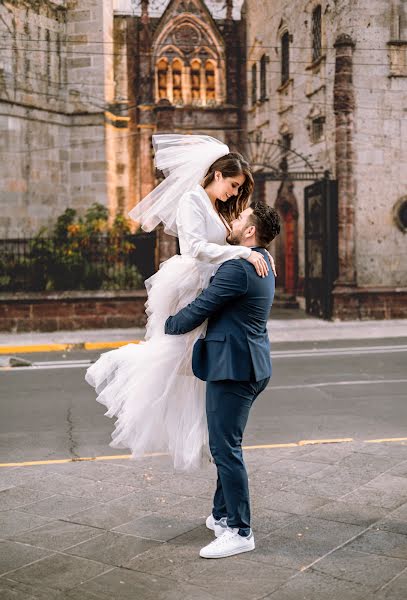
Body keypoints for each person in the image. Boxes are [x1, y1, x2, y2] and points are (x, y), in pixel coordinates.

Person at [85, 134, 276, 471]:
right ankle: (128, 372)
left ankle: (215, 437)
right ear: (217, 175)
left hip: (211, 280)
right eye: (232, 185)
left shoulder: (214, 207)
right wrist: (243, 251)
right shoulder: (192, 199)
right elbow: (194, 249)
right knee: (172, 353)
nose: (233, 193)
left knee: (192, 360)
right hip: (192, 279)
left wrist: (254, 253)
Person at [165, 201, 281, 558]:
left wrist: (169, 326)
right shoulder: (260, 262)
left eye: (241, 217)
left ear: (249, 232)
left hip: (234, 369)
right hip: (247, 364)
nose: (233, 219)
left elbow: (204, 307)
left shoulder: (239, 269)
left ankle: (240, 531)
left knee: (225, 449)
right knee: (225, 445)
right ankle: (221, 515)